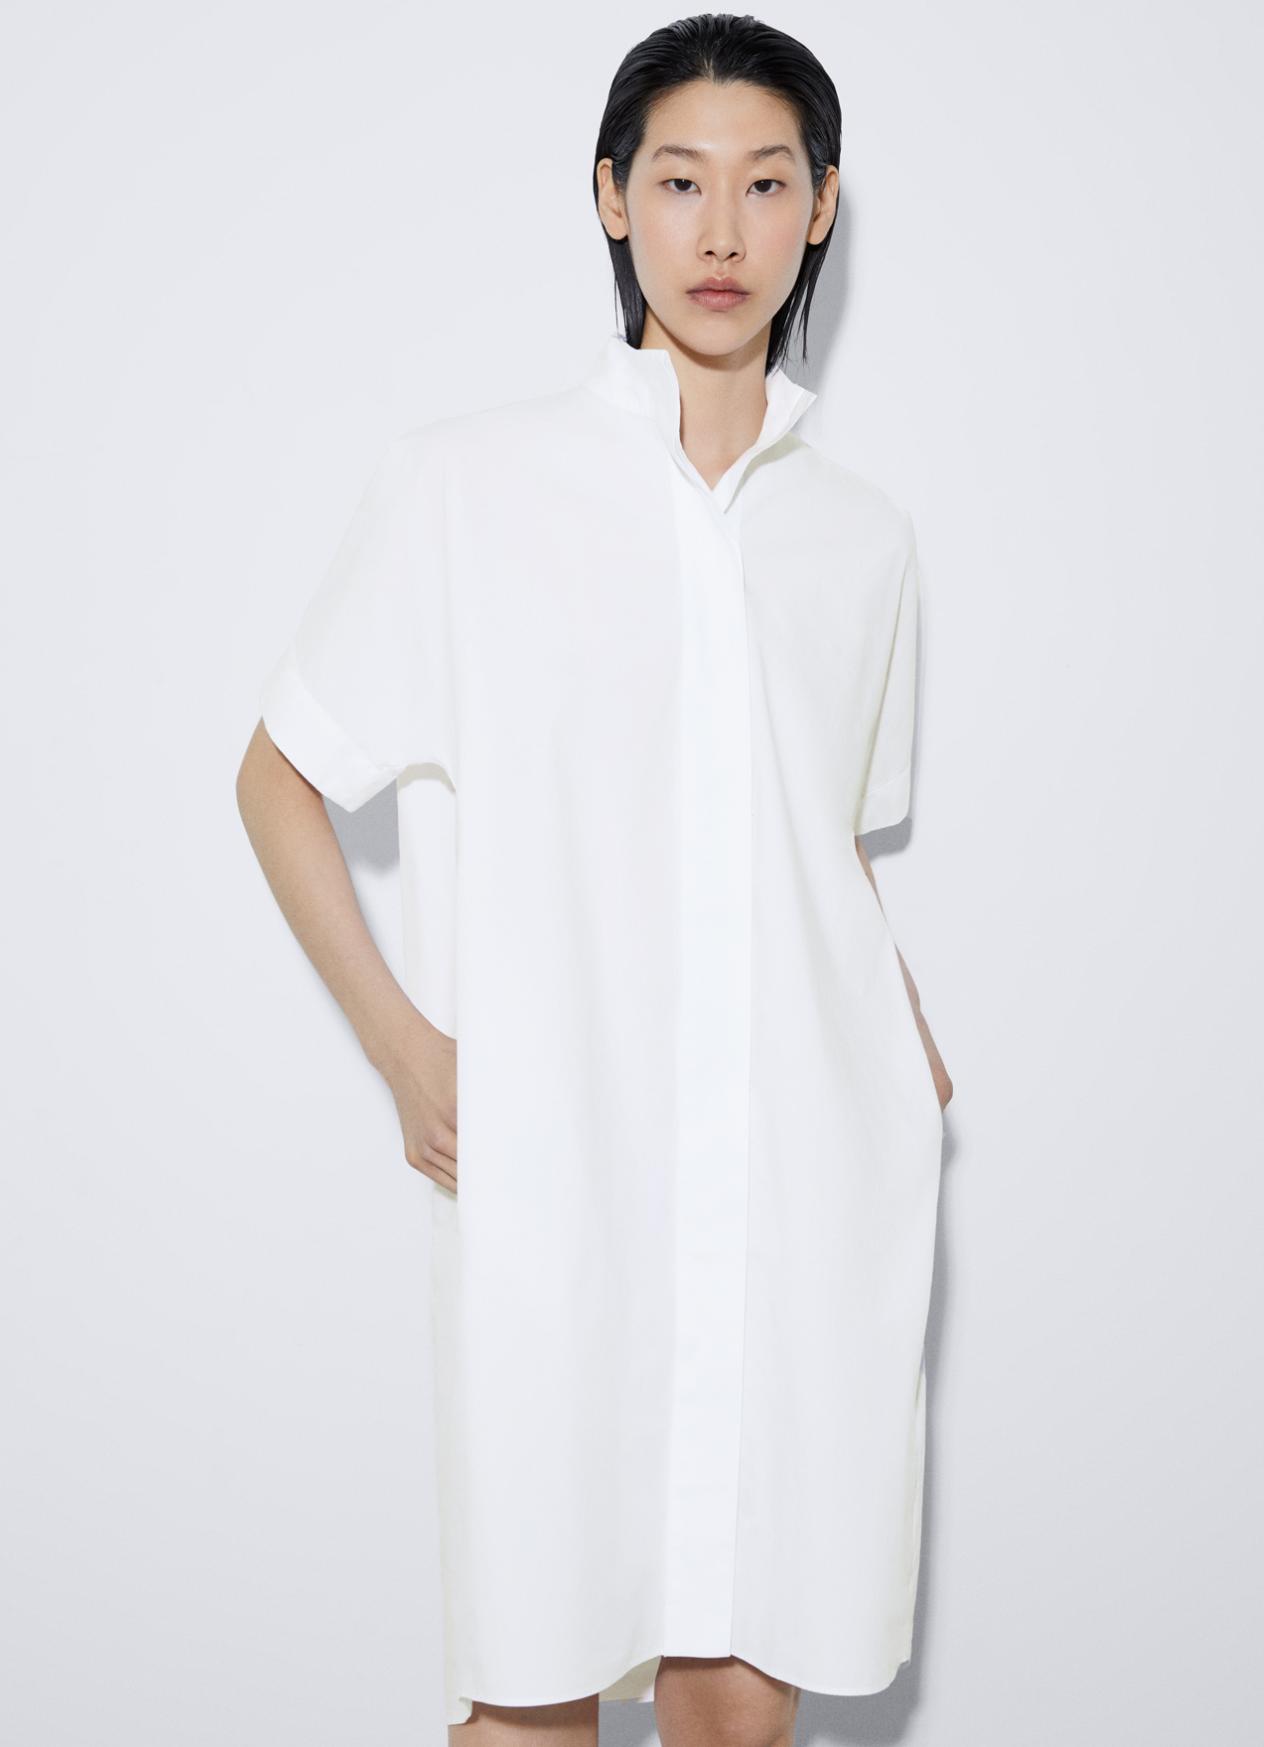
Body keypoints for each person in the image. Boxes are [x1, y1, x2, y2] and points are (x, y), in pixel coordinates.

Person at [236, 13, 953, 1745]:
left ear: (821, 208)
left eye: (765, 185)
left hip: (798, 1171)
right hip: (564, 1173)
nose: (722, 232)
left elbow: (819, 852)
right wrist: (408, 1053)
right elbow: (277, 778)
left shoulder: (860, 540)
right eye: (681, 182)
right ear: (611, 198)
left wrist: (908, 1058)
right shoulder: (468, 485)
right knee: (534, 1698)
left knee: (737, 1704)